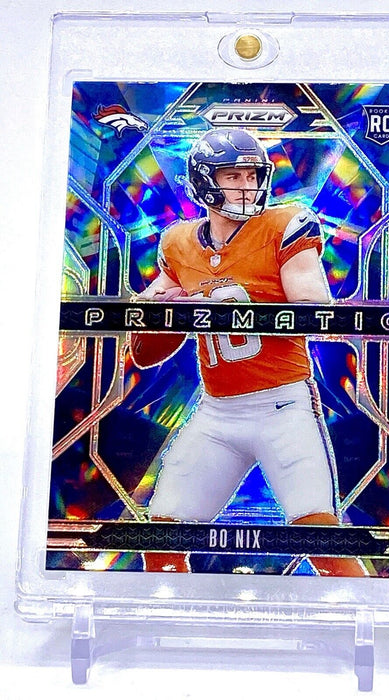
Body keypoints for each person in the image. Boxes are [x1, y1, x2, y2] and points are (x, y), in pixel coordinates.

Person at [135, 128, 365, 577]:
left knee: (320, 538)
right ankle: (173, 617)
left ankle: (372, 613)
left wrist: (216, 308)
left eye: (252, 175)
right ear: (204, 181)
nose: (246, 185)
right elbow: (144, 349)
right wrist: (161, 310)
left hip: (283, 408)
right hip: (216, 413)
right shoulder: (178, 243)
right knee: (160, 540)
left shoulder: (284, 225)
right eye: (233, 175)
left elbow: (314, 309)